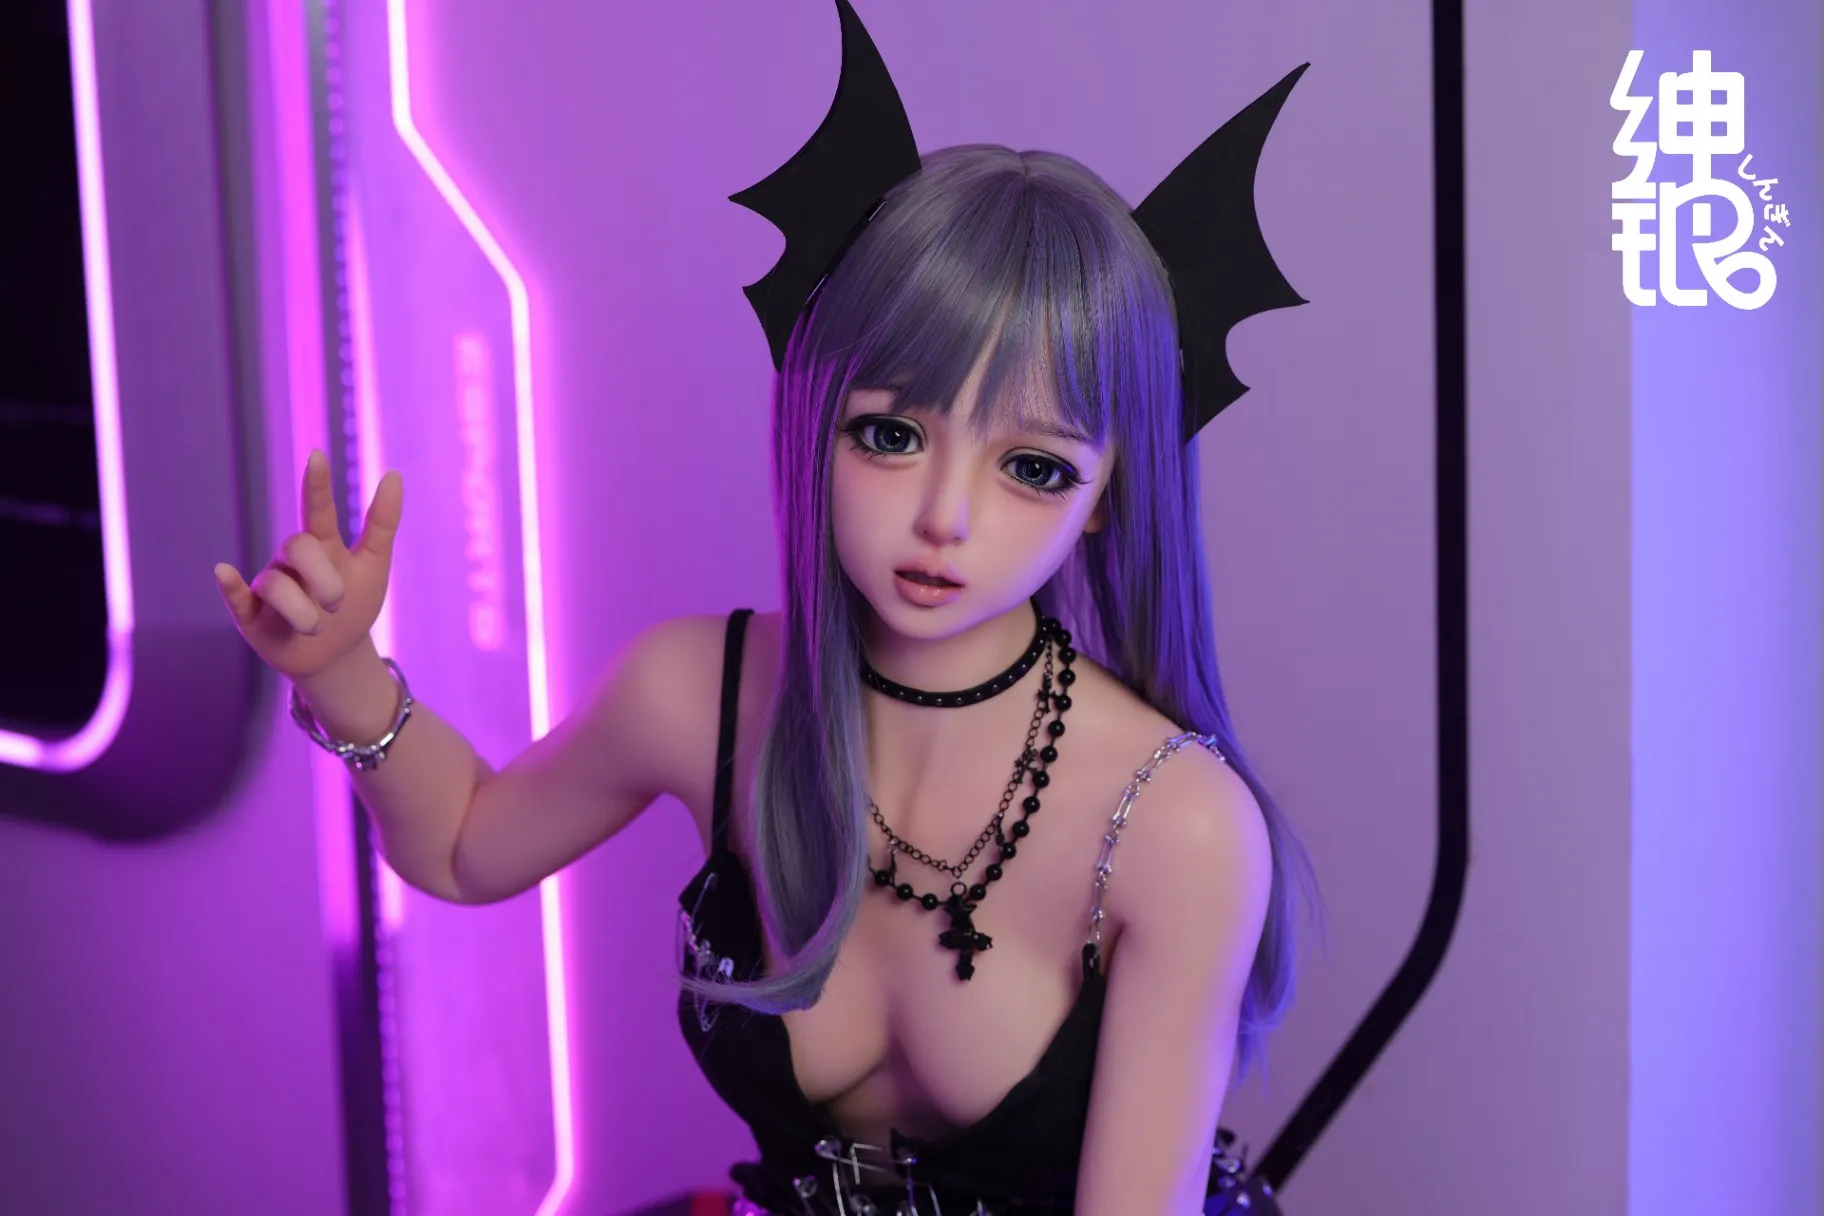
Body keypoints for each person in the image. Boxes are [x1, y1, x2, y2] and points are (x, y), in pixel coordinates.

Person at [215, 133, 1310, 1216]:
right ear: (815, 416)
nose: (946, 517)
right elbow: (463, 848)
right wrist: (342, 670)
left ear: (1109, 495)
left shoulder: (1178, 825)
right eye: (890, 435)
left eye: (1032, 466)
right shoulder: (698, 692)